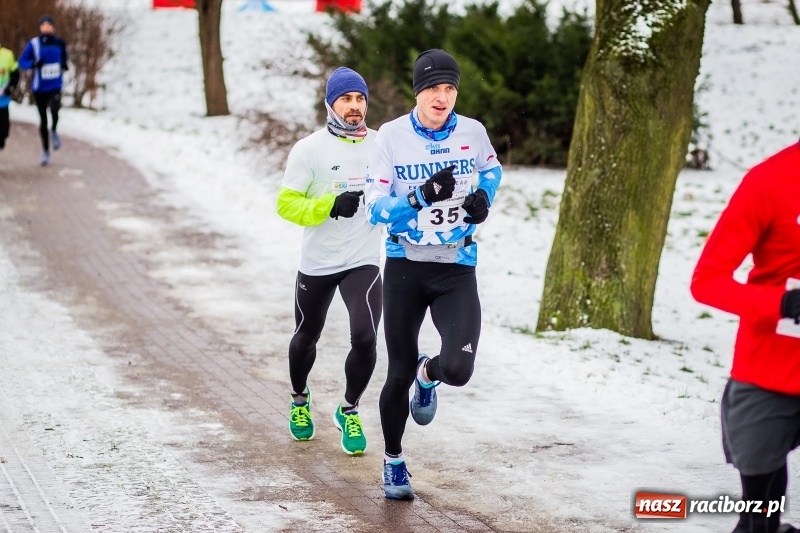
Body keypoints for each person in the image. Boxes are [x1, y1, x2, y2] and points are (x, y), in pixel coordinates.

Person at [364, 49, 502, 500]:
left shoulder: (472, 132)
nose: (441, 97)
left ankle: (430, 374)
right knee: (397, 370)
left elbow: (492, 169)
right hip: (405, 265)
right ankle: (393, 461)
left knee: (458, 369)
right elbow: (374, 207)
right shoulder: (391, 136)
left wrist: (484, 197)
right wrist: (420, 197)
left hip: (456, 267)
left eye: (449, 88)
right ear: (417, 92)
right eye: (432, 89)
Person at [691, 140, 800, 533]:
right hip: (772, 371)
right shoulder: (771, 181)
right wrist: (781, 303)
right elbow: (707, 281)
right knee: (759, 519)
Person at [276, 67, 382, 456]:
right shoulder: (309, 149)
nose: (354, 106)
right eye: (345, 99)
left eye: (359, 99)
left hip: (363, 259)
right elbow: (286, 204)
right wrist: (329, 205)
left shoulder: (381, 145)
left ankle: (349, 408)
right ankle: (299, 400)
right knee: (306, 336)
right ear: (330, 104)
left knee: (366, 337)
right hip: (319, 262)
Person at [18, 14, 68, 166]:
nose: (46, 28)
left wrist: (64, 65)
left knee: (55, 110)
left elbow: (64, 58)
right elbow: (22, 61)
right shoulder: (34, 44)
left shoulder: (60, 43)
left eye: (49, 25)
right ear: (40, 27)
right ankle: (46, 151)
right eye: (43, 25)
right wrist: (33, 64)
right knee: (43, 120)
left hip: (55, 85)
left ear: (53, 27)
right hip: (39, 87)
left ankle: (54, 130)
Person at [0, 43, 19, 150]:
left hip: (2, 99)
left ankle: (2, 139)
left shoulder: (7, 55)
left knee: (4, 130)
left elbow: (15, 74)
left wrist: (10, 87)